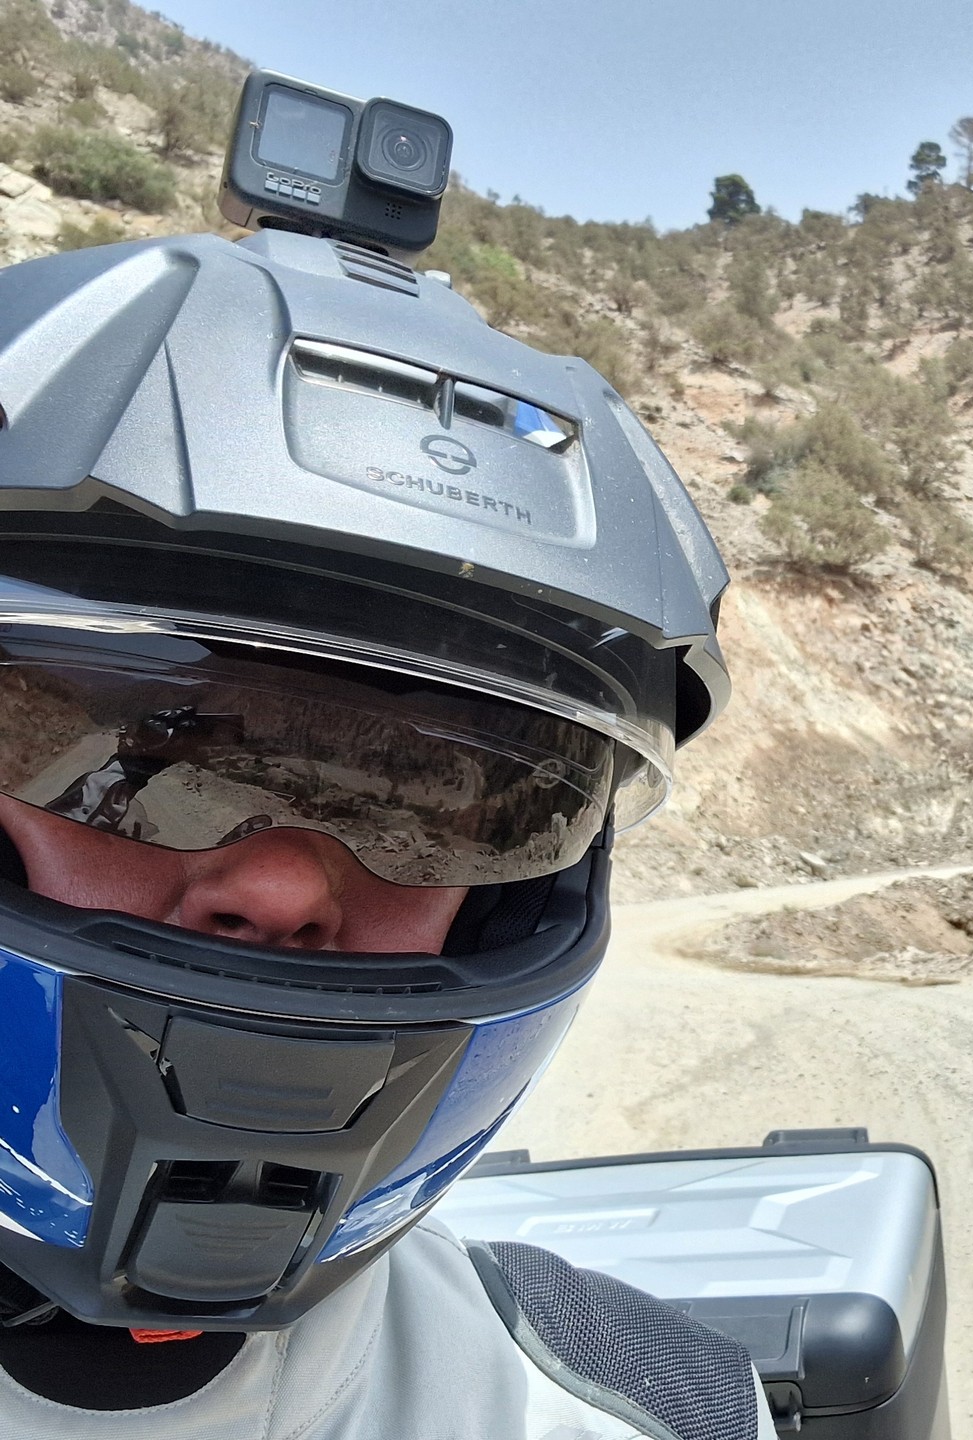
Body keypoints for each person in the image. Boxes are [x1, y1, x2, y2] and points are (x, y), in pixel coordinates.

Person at [0, 222, 772, 1438]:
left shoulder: (639, 1413)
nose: (282, 886)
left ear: (522, 899)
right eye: (142, 763)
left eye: (425, 807)